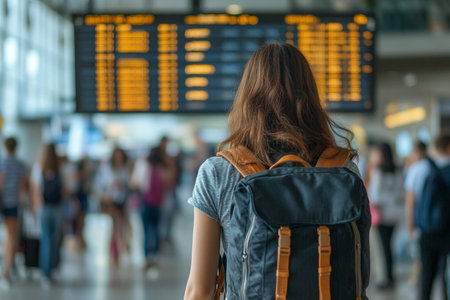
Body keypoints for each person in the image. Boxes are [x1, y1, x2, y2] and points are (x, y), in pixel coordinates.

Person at [184, 42, 370, 299]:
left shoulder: (218, 172)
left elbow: (200, 290)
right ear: (311, 97)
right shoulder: (344, 170)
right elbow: (359, 273)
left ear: (247, 97)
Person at [405, 135, 450, 300]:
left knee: (427, 273)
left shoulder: (421, 167)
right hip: (447, 230)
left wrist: (412, 229)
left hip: (427, 231)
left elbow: (411, 200)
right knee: (446, 274)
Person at [366, 142, 404, 289]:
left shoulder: (378, 172)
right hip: (394, 214)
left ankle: (386, 278)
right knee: (389, 246)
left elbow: (374, 196)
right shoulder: (398, 171)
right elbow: (401, 193)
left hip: (381, 215)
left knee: (383, 248)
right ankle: (391, 276)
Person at [131, 147, 172, 272]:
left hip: (146, 202)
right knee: (155, 228)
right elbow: (168, 183)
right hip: (158, 204)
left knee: (146, 230)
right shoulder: (162, 169)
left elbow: (136, 183)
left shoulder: (143, 166)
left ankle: (147, 256)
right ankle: (154, 255)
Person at [30, 143, 64, 287]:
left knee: (46, 240)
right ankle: (50, 269)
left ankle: (45, 272)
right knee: (54, 240)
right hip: (56, 208)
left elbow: (35, 190)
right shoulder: (59, 168)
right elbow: (64, 189)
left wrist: (35, 207)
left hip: (43, 208)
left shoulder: (38, 168)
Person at [95, 147, 131, 267]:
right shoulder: (106, 169)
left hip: (122, 202)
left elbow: (130, 185)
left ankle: (118, 249)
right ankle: (115, 251)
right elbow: (100, 186)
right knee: (115, 227)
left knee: (121, 227)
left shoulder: (126, 169)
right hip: (111, 202)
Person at [0, 137, 28, 289]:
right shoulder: (20, 165)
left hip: (2, 203)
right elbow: (23, 189)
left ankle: (7, 267)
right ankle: (6, 271)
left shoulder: (1, 163)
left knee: (8, 239)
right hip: (13, 205)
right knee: (11, 238)